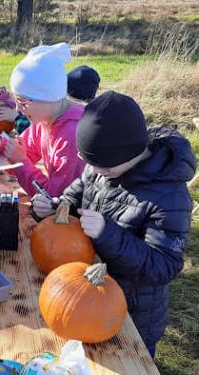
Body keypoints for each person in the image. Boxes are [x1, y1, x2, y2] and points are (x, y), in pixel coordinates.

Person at [32, 91, 197, 357]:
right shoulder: (100, 165)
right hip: (84, 292)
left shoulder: (169, 197)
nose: (96, 172)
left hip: (131, 311)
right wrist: (54, 207)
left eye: (104, 169)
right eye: (90, 164)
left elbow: (163, 266)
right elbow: (75, 196)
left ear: (132, 154)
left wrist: (107, 233)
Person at [0, 43, 86, 198]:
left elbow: (56, 198)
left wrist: (21, 162)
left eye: (23, 101)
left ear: (48, 95)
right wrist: (1, 144)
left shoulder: (72, 135)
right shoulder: (44, 120)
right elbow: (23, 148)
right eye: (15, 101)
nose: (18, 110)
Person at [0, 65, 100, 134]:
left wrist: (16, 119)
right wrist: (8, 100)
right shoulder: (53, 105)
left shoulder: (70, 125)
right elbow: (28, 106)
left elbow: (35, 129)